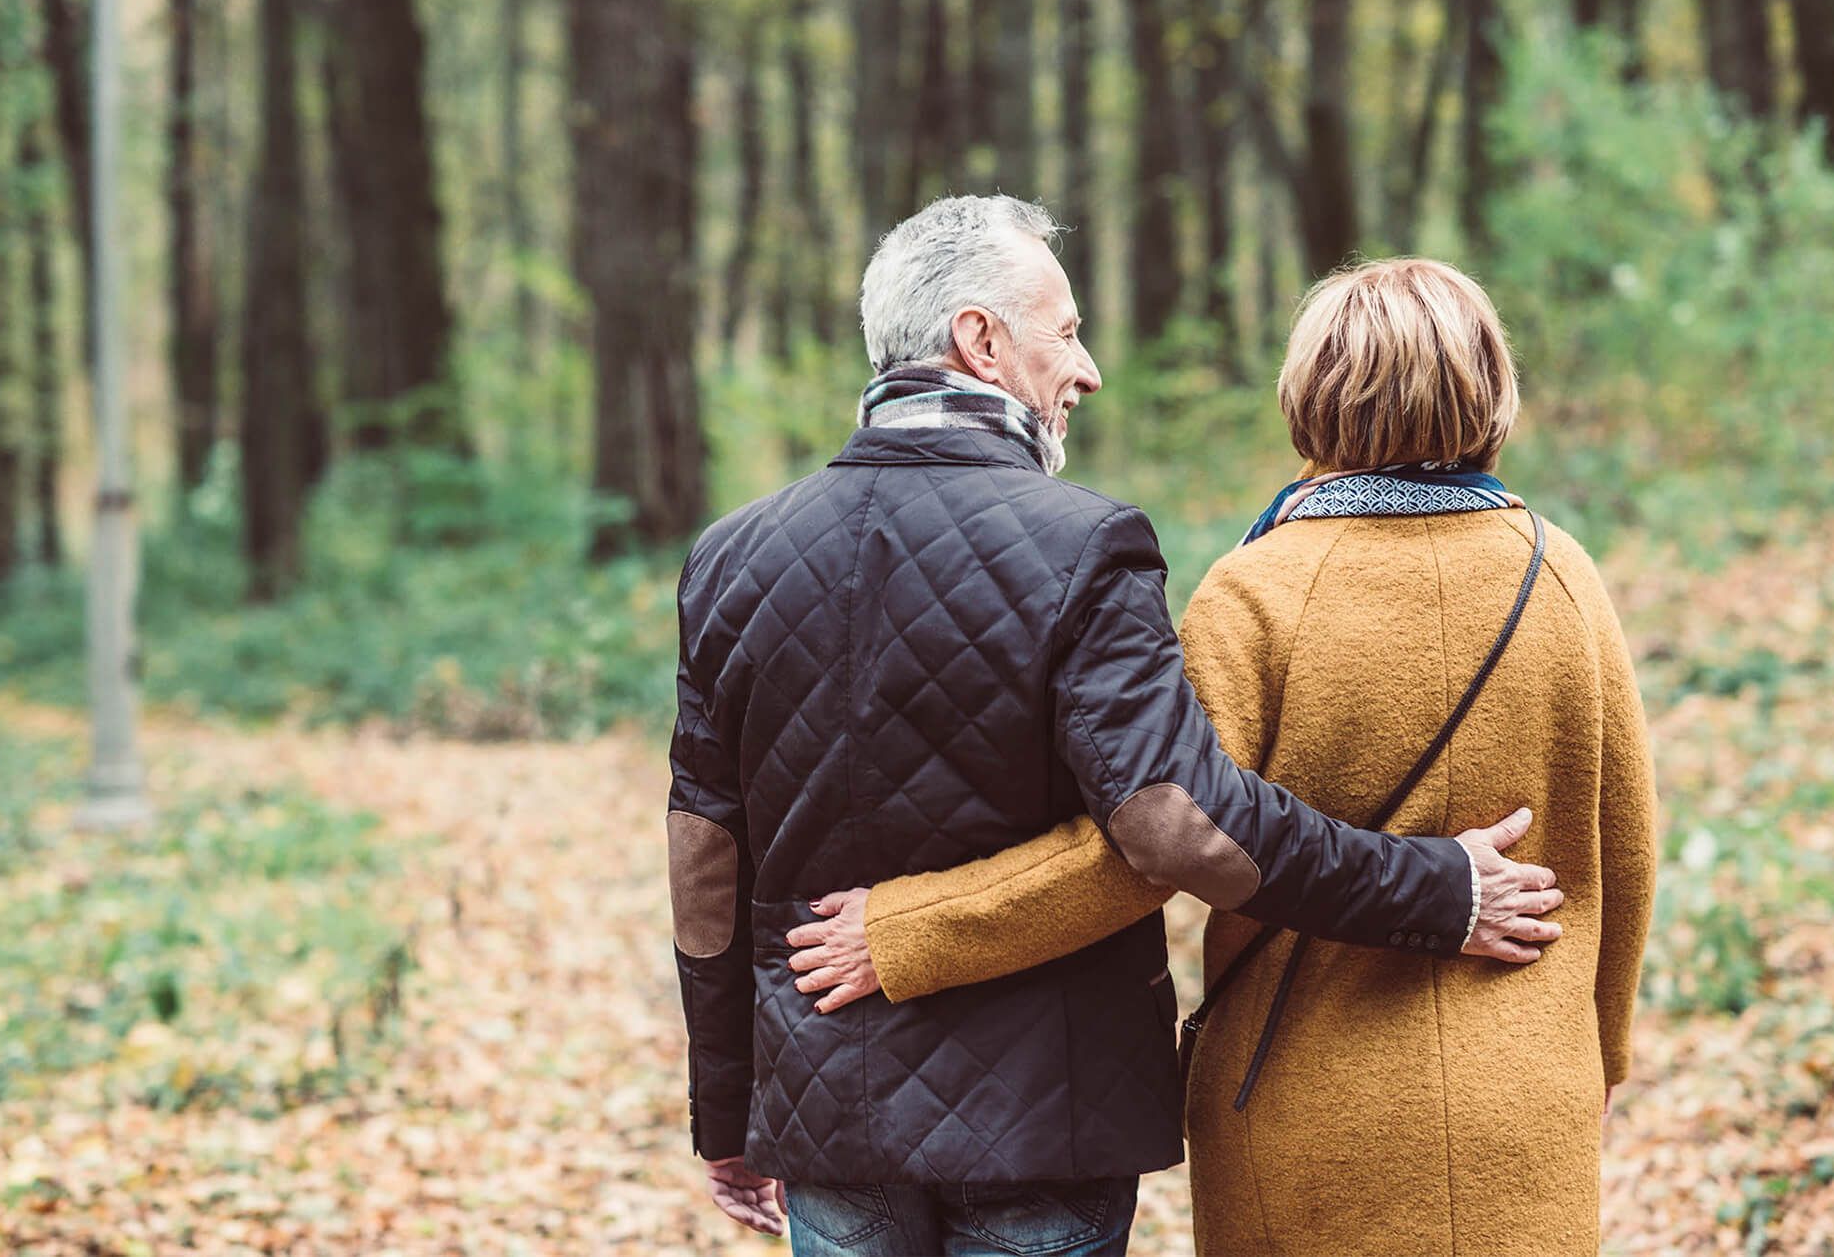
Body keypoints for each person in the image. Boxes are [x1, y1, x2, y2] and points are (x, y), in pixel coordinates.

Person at [667, 200, 1564, 1257]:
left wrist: (727, 1108)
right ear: (980, 339)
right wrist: (1435, 888)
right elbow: (1179, 826)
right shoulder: (1085, 544)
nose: (1086, 370)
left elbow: (705, 862)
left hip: (828, 1112)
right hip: (1048, 1118)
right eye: (1066, 330)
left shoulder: (730, 558)